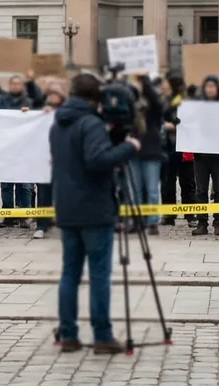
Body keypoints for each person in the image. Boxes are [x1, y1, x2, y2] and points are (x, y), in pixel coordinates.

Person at [51, 73, 141, 354]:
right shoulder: (90, 123)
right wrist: (128, 147)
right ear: (95, 97)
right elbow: (97, 159)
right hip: (93, 208)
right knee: (99, 274)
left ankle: (68, 334)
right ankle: (102, 336)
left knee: (70, 273)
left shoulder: (58, 123)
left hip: (66, 207)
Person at [127, 74, 166, 235]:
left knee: (151, 189)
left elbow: (156, 101)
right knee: (134, 188)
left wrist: (144, 81)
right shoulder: (129, 104)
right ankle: (136, 220)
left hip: (150, 150)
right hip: (132, 150)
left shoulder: (153, 107)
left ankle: (151, 221)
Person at [193, 76, 219, 237]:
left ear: (217, 88)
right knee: (201, 190)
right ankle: (202, 223)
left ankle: (218, 222)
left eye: (213, 86)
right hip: (201, 156)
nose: (210, 89)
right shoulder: (197, 106)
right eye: (207, 86)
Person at [0, 74, 36, 229]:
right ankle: (8, 215)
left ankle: (24, 216)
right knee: (6, 185)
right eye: (13, 84)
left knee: (25, 186)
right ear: (9, 85)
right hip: (7, 149)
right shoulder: (3, 102)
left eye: (18, 84)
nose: (15, 86)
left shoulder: (29, 102)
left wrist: (30, 113)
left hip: (25, 149)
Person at [33, 81, 68, 239]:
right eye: (51, 94)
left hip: (63, 159)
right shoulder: (41, 110)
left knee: (63, 192)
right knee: (43, 193)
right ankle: (42, 224)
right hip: (43, 158)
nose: (53, 97)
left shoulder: (68, 112)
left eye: (56, 94)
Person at [160, 71, 193, 227]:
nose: (163, 86)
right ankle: (169, 214)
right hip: (168, 146)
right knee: (168, 181)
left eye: (166, 83)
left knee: (187, 182)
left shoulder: (184, 101)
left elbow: (188, 120)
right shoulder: (164, 100)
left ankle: (190, 214)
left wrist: (175, 125)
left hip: (184, 145)